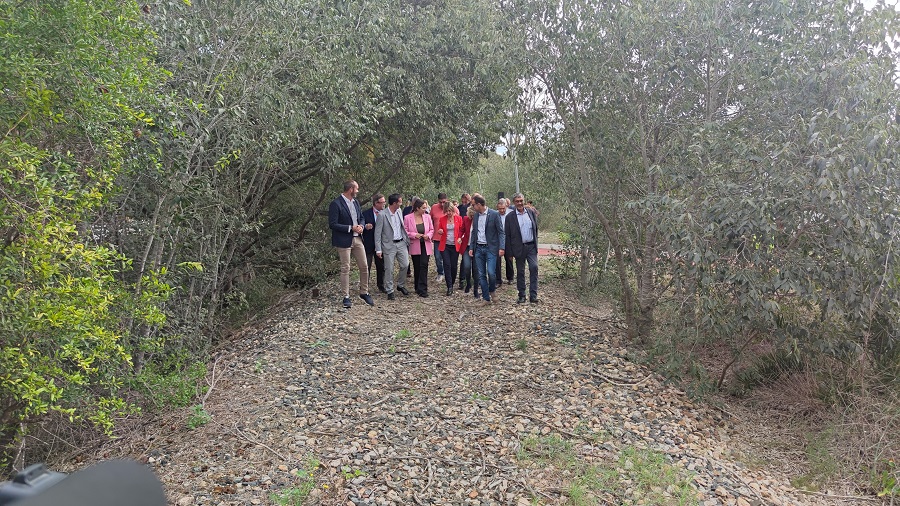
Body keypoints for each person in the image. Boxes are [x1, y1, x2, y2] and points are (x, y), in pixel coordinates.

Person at [328, 180, 374, 308]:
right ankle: (346, 296)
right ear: (350, 189)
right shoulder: (336, 204)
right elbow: (332, 224)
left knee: (364, 266)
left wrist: (361, 226)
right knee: (345, 268)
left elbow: (362, 218)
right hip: (343, 240)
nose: (357, 191)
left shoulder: (356, 203)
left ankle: (364, 292)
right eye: (356, 189)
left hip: (358, 238)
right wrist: (350, 228)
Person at [468, 194, 504, 304]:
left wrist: (502, 247)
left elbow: (501, 232)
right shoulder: (476, 216)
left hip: (491, 248)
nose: (473, 207)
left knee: (491, 273)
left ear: (479, 205)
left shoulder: (494, 214)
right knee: (481, 274)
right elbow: (474, 232)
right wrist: (471, 247)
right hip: (478, 248)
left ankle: (492, 290)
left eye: (474, 205)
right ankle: (486, 298)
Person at [374, 194, 411, 300]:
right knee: (389, 268)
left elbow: (402, 227)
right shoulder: (382, 215)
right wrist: (378, 249)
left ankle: (400, 285)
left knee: (405, 264)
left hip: (401, 243)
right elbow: (377, 233)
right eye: (400, 202)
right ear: (394, 203)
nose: (401, 203)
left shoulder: (399, 211)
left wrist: (406, 240)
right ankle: (390, 290)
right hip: (388, 245)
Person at [505, 193, 539, 303]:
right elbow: (508, 235)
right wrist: (509, 253)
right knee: (520, 271)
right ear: (514, 203)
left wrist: (535, 244)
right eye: (517, 201)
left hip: (531, 247)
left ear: (523, 201)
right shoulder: (510, 217)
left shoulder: (531, 213)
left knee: (534, 267)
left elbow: (535, 229)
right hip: (518, 248)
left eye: (521, 200)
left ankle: (533, 295)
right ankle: (522, 294)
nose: (519, 203)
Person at [404, 198, 434, 297]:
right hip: (415, 244)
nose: (425, 210)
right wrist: (414, 235)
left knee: (424, 265)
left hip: (425, 244)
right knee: (417, 266)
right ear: (417, 208)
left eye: (426, 208)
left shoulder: (427, 217)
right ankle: (417, 286)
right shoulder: (408, 218)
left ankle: (423, 289)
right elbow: (405, 231)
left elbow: (431, 229)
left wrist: (428, 235)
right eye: (423, 208)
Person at [437, 202, 463, 296]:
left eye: (450, 211)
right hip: (445, 245)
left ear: (453, 210)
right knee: (447, 265)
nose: (448, 213)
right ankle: (449, 286)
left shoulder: (459, 219)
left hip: (455, 245)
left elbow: (461, 231)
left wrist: (461, 237)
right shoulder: (442, 219)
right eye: (446, 211)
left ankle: (452, 282)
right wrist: (440, 231)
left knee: (454, 266)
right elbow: (440, 229)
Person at [362, 194, 386, 293]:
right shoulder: (366, 213)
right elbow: (360, 224)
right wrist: (365, 226)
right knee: (366, 265)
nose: (384, 204)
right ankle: (364, 287)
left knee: (381, 266)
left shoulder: (385, 213)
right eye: (382, 202)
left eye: (385, 202)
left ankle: (381, 285)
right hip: (369, 243)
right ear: (376, 203)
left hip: (381, 244)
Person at [496, 198, 515, 287]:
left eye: (503, 208)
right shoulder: (495, 214)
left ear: (506, 206)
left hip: (508, 238)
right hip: (497, 239)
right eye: (500, 209)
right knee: (497, 260)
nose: (502, 210)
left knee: (509, 258)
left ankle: (510, 277)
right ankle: (498, 279)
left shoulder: (511, 213)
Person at [430, 193, 448, 283]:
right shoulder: (434, 207)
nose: (442, 204)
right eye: (440, 202)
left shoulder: (452, 208)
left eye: (444, 202)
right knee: (437, 257)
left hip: (448, 238)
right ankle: (440, 272)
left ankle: (447, 273)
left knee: (447, 257)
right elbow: (430, 220)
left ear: (447, 200)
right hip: (437, 237)